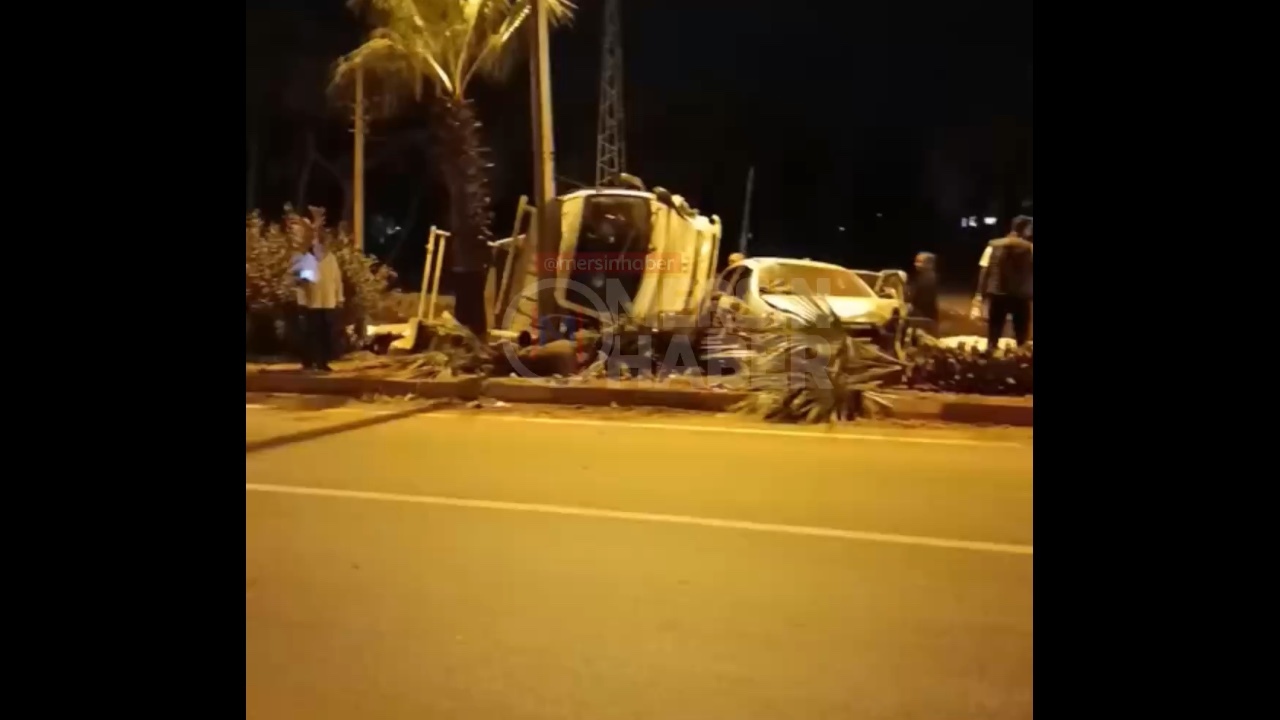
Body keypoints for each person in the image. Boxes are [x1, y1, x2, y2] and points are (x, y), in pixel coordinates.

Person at [970, 216, 1033, 350]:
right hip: (1020, 295)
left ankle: (991, 356)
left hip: (997, 293)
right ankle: (1020, 358)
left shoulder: (993, 245)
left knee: (994, 332)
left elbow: (984, 270)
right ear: (1025, 229)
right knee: (1021, 336)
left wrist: (979, 295)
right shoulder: (1030, 248)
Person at [291, 238, 345, 371]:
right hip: (312, 303)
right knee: (312, 334)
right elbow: (303, 283)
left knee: (326, 334)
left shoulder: (331, 259)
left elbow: (337, 280)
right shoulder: (308, 260)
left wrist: (339, 297)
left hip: (328, 302)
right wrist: (302, 300)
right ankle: (309, 361)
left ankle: (323, 362)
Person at [906, 252, 939, 337]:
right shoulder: (924, 276)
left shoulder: (928, 279)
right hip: (925, 316)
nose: (916, 264)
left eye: (919, 262)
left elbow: (922, 300)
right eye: (916, 261)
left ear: (929, 264)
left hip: (924, 317)